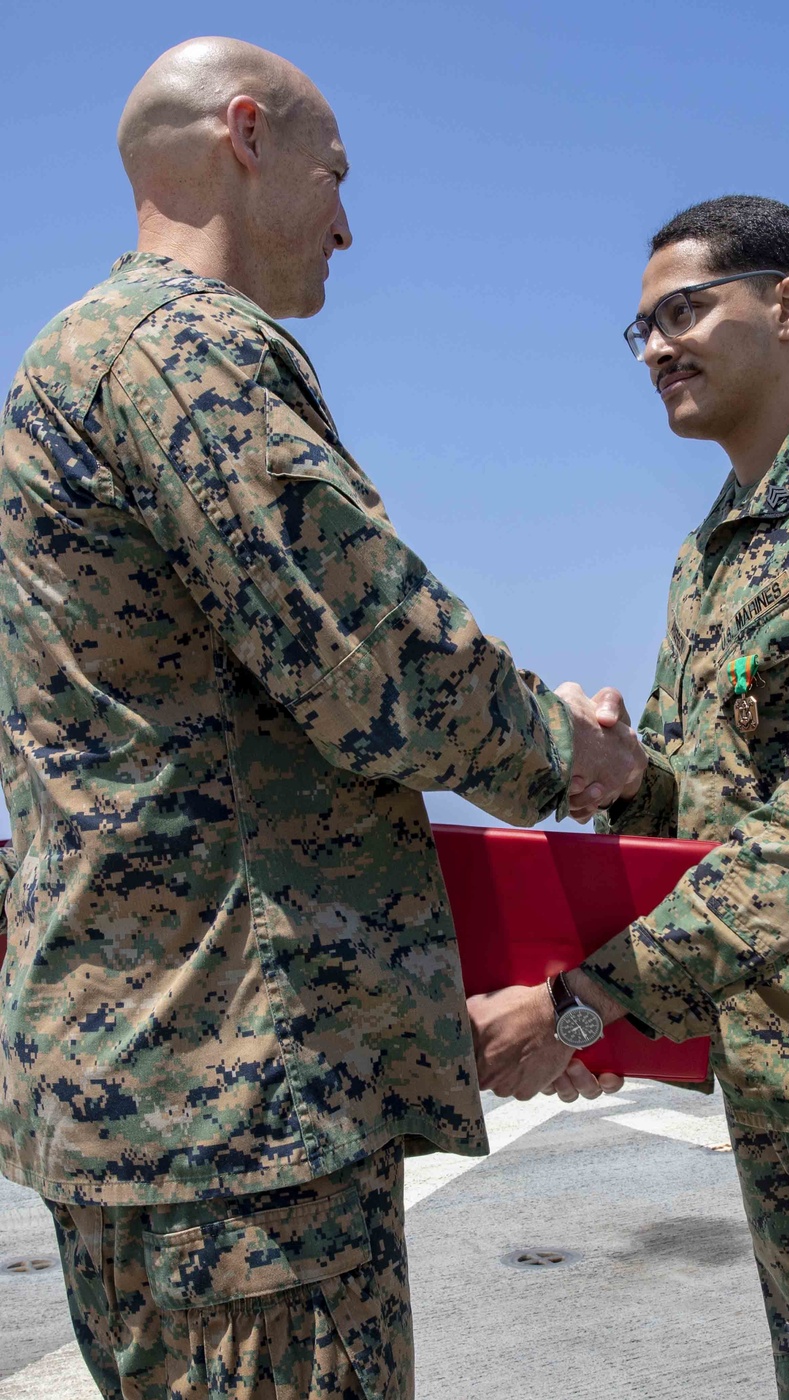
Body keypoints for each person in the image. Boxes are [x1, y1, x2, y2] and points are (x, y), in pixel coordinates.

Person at [0, 37, 637, 1400]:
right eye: (335, 175)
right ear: (247, 135)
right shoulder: (185, 352)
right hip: (238, 1114)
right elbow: (379, 665)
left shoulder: (75, 361)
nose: (348, 223)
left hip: (148, 1086)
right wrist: (575, 753)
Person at [470, 195, 789, 1398]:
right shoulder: (709, 552)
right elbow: (717, 817)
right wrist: (625, 774)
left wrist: (583, 1000)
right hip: (775, 1092)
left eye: (684, 310)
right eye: (639, 328)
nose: (655, 346)